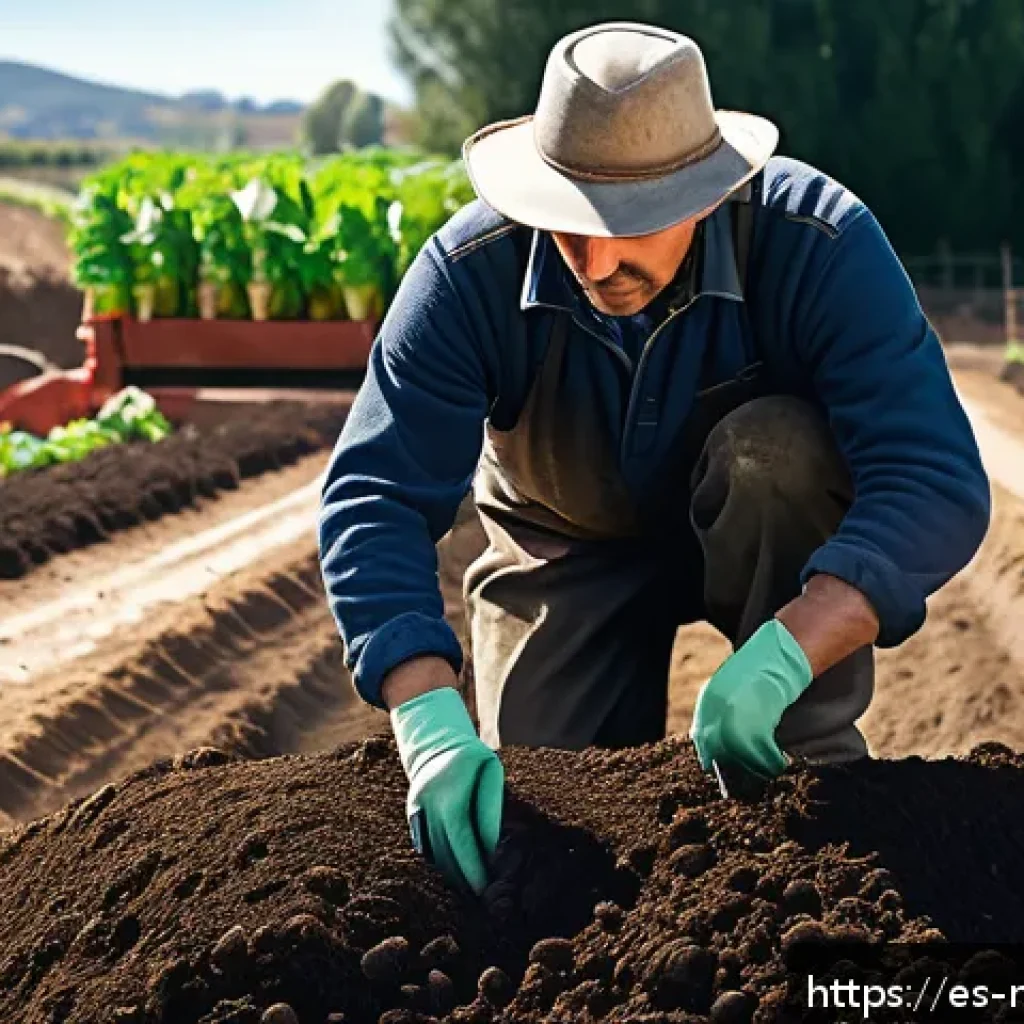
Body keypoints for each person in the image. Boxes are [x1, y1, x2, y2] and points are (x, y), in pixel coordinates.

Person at [318, 22, 990, 894]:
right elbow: (373, 495)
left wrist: (792, 647)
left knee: (773, 456)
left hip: (766, 529)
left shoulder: (817, 242)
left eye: (629, 224)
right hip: (564, 542)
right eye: (568, 224)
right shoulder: (468, 273)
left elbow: (932, 476)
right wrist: (427, 719)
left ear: (707, 192)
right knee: (547, 832)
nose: (596, 263)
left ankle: (817, 782)